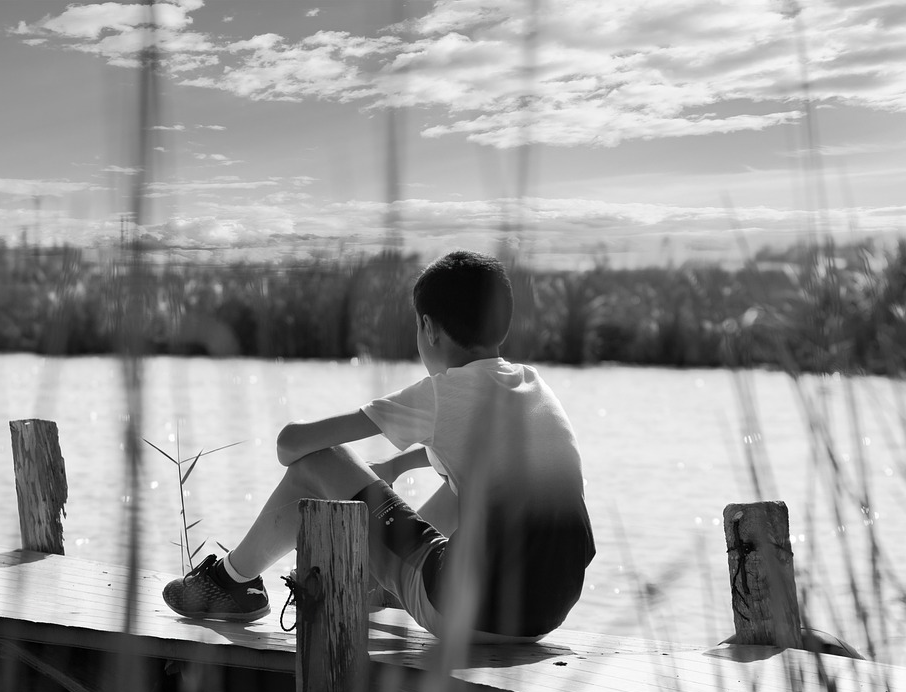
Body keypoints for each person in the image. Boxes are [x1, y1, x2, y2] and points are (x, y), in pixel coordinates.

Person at [162, 250, 594, 641]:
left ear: (428, 328)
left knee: (321, 462)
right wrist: (399, 465)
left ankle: (232, 582)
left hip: (465, 612)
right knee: (469, 487)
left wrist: (349, 473)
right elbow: (472, 454)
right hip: (546, 612)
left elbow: (291, 446)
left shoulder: (441, 394)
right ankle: (373, 585)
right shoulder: (534, 387)